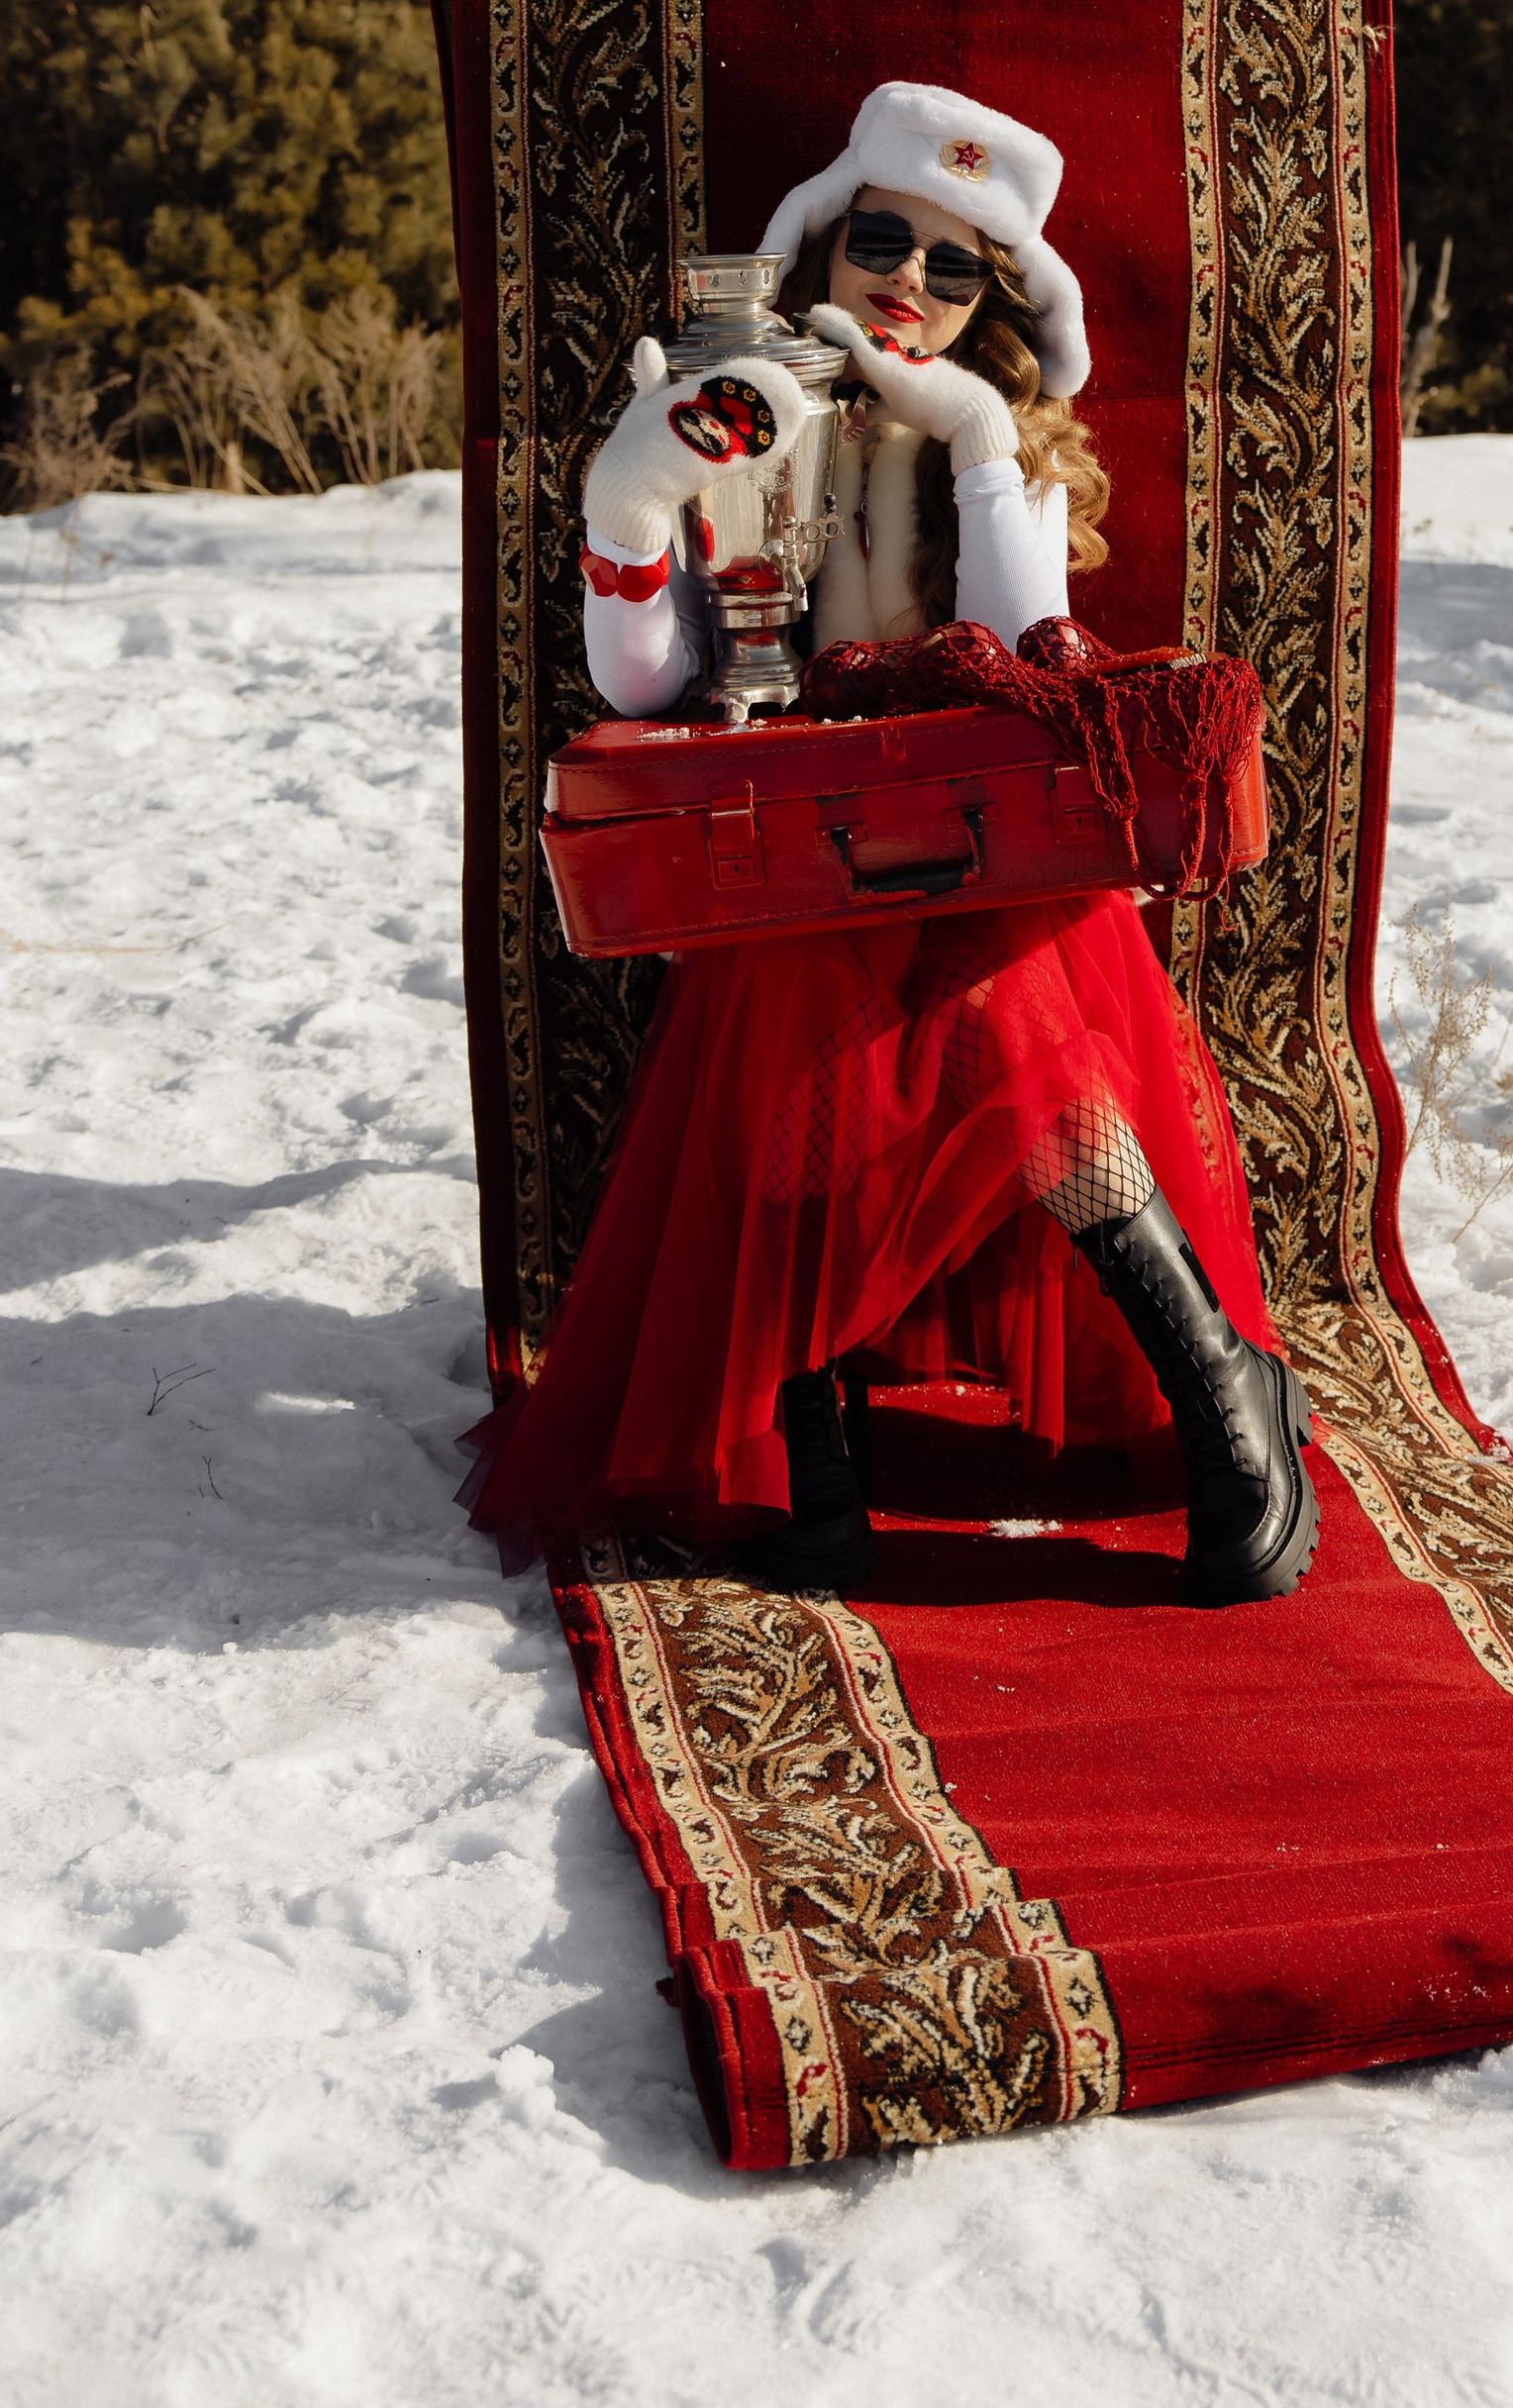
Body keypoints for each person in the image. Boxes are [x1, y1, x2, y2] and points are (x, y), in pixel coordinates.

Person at [470, 82, 1317, 1608]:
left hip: (986, 851)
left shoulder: (999, 438)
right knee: (787, 998)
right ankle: (808, 1430)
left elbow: (1024, 660)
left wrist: (980, 434)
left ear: (995, 305)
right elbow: (651, 685)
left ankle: (1221, 1385)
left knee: (989, 999)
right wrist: (632, 497)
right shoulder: (738, 405)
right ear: (826, 241)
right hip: (792, 846)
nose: (908, 286)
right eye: (883, 240)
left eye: (955, 268)